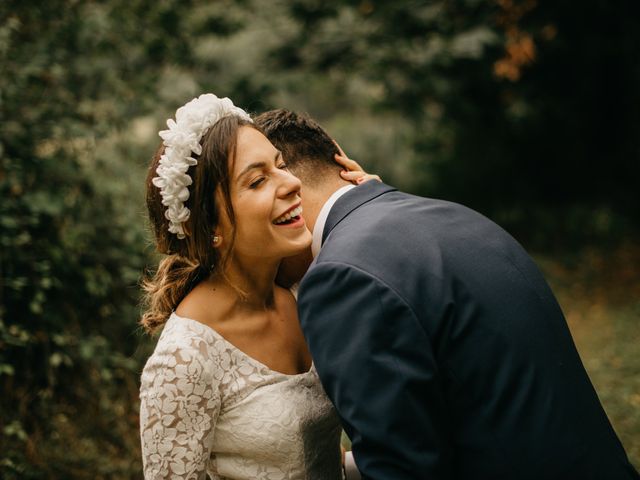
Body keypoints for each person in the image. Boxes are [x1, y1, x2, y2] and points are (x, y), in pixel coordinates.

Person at [254, 109, 640, 480]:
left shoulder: (341, 275)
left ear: (287, 191)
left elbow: (403, 468)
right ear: (340, 161)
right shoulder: (456, 217)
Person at [139, 94, 374, 479]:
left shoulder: (303, 291)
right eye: (258, 180)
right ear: (211, 226)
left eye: (280, 165)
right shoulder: (182, 362)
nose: (292, 183)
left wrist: (370, 209)